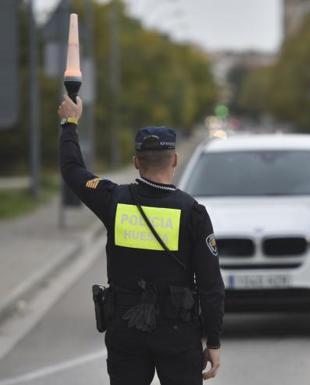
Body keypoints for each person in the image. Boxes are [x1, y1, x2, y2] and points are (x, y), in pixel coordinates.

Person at [58, 95, 225, 385]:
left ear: (136, 162)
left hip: (126, 329)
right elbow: (211, 285)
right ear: (174, 159)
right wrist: (213, 342)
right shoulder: (193, 212)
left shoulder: (114, 200)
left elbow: (72, 170)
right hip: (177, 332)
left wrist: (69, 123)